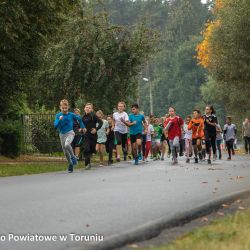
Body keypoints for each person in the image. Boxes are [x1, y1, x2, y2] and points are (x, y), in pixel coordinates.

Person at [54, 99, 86, 173]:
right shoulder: (58, 115)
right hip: (62, 134)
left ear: (68, 107)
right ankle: (70, 164)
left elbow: (80, 119)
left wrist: (83, 127)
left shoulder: (71, 114)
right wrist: (59, 120)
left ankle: (73, 157)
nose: (64, 109)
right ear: (60, 107)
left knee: (67, 144)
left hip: (70, 132)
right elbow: (55, 126)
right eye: (63, 108)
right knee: (65, 151)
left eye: (66, 108)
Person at [82, 103, 103, 170]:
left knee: (92, 150)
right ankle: (87, 164)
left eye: (89, 108)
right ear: (84, 108)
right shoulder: (83, 117)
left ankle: (88, 159)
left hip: (93, 136)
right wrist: (81, 129)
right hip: (86, 135)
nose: (87, 108)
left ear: (92, 109)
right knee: (86, 148)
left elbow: (100, 122)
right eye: (86, 107)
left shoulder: (93, 116)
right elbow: (80, 125)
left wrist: (96, 129)